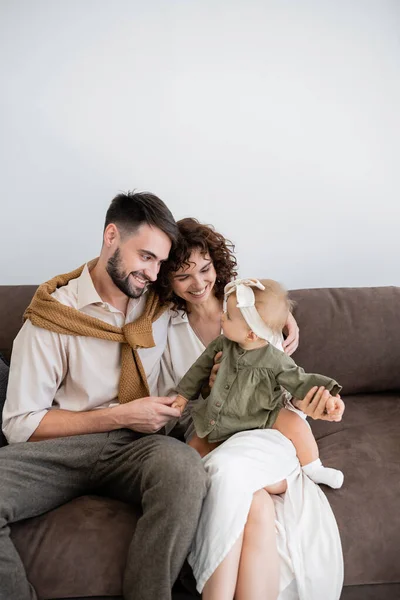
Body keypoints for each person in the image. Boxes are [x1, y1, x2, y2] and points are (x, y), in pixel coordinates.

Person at [0, 192, 208, 600]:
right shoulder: (53, 316)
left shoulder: (160, 305)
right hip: (61, 448)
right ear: (111, 235)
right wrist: (119, 416)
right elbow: (19, 424)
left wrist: (275, 313)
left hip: (139, 448)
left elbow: (215, 291)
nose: (152, 272)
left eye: (161, 263)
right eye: (145, 256)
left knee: (184, 471)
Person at [156, 218, 345, 600]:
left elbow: (287, 386)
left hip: (265, 431)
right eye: (182, 276)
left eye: (205, 269)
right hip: (215, 432)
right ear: (166, 280)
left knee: (237, 481)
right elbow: (176, 395)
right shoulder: (165, 326)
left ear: (217, 265)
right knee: (254, 503)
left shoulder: (254, 309)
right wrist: (204, 392)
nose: (198, 283)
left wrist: (316, 401)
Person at [173, 277, 344, 489]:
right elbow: (198, 370)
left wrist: (328, 395)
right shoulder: (222, 345)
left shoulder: (274, 359)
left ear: (252, 333)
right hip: (223, 414)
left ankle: (314, 467)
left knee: (295, 424)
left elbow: (300, 380)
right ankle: (191, 481)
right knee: (195, 447)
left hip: (262, 414)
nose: (221, 316)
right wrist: (182, 397)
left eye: (228, 316)